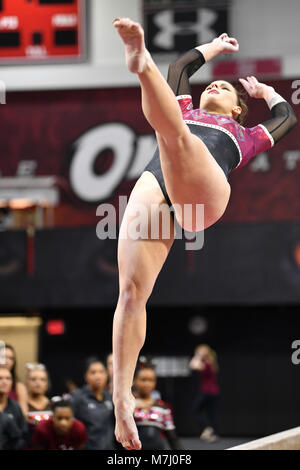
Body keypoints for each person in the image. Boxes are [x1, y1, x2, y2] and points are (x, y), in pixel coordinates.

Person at [112, 18, 298, 450]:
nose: (212, 88)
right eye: (210, 86)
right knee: (131, 293)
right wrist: (213, 47)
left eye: (224, 90)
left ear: (236, 109)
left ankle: (140, 65)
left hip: (202, 194)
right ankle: (121, 398)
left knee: (174, 133)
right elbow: (179, 70)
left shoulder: (248, 135)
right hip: (157, 188)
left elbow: (286, 116)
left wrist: (265, 93)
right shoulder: (184, 106)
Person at [133, 364, 182, 450]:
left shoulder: (162, 407)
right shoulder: (128, 405)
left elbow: (172, 437)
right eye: (143, 380)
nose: (147, 384)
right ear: (135, 381)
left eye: (151, 380)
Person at [71, 357, 115, 450]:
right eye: (93, 372)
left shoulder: (110, 397)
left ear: (106, 374)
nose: (98, 376)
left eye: (101, 372)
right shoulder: (77, 398)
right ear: (86, 376)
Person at [190, 344, 219, 442]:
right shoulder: (211, 362)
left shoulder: (207, 364)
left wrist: (198, 355)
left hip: (207, 391)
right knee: (211, 413)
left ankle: (208, 429)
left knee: (196, 410)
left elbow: (193, 365)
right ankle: (212, 434)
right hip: (213, 392)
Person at [0, 365, 28, 449]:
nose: (4, 382)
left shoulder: (15, 406)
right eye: (0, 378)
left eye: (8, 378)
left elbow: (23, 435)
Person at [25, 363, 52, 446]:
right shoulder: (21, 405)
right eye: (33, 379)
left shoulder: (54, 405)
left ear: (47, 384)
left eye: (42, 379)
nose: (38, 383)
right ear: (27, 382)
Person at [4, 344, 28, 416]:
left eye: (11, 358)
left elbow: (23, 416)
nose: (7, 361)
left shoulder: (19, 386)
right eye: (3, 357)